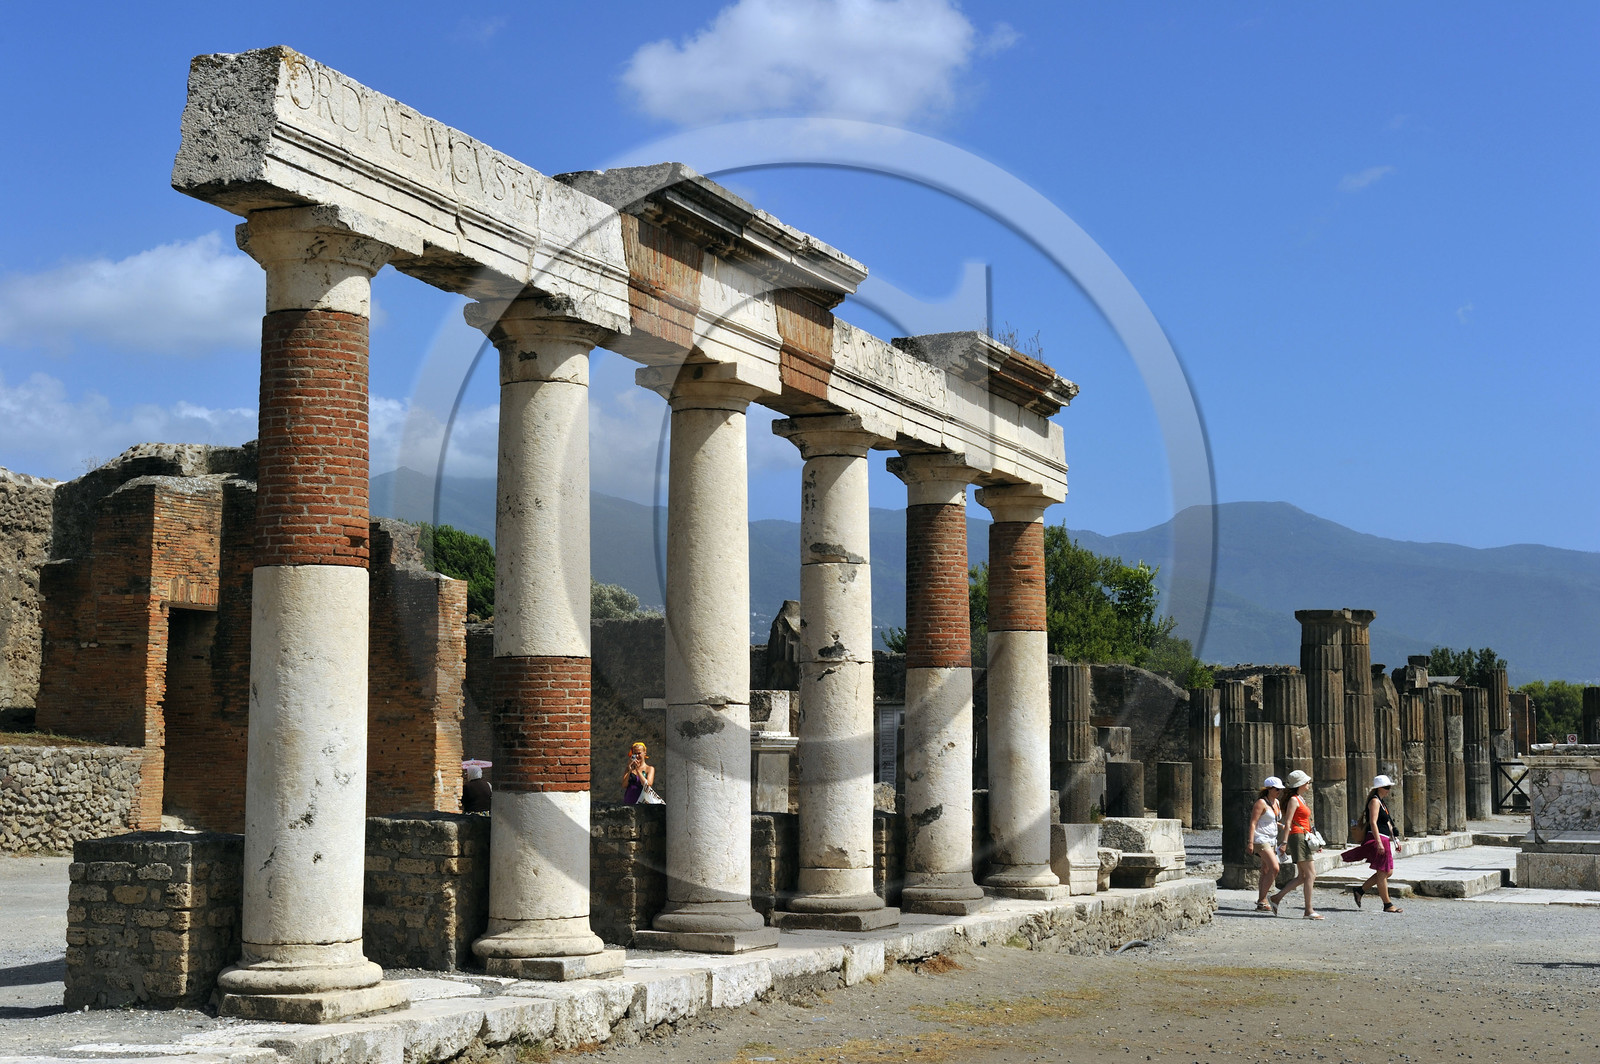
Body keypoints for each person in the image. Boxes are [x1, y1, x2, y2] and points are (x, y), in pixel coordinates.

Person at [1268, 769, 1323, 919]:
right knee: (1311, 874)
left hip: (1304, 836)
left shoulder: (1300, 798)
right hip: (1297, 836)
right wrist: (1284, 842)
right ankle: (1308, 910)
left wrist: (1315, 841)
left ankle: (1276, 898)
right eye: (1307, 782)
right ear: (1300, 784)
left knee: (1303, 876)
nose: (1308, 784)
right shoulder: (1294, 800)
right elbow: (1288, 821)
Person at [1344, 774, 1403, 913]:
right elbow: (1373, 822)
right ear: (1379, 788)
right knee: (1382, 872)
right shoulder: (1375, 801)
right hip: (1379, 838)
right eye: (1387, 787)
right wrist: (1379, 842)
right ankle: (1387, 904)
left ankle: (1360, 890)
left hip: (1385, 838)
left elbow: (1388, 823)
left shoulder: (1381, 802)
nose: (1389, 790)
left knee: (1388, 872)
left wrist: (1396, 840)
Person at [1248, 776, 1285, 912]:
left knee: (1265, 870)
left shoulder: (1277, 802)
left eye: (1280, 789)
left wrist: (1282, 826)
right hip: (1261, 839)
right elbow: (1253, 822)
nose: (1279, 791)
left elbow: (1271, 820)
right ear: (1269, 789)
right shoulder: (1261, 803)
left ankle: (1261, 903)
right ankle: (1263, 899)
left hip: (1272, 839)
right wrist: (1250, 842)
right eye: (1276, 789)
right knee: (1275, 868)